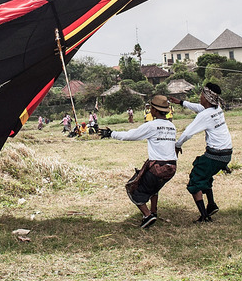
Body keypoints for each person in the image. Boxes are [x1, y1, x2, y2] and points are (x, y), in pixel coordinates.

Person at [99, 95, 177, 229]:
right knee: (154, 187)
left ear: (155, 110)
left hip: (157, 167)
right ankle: (154, 211)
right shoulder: (172, 126)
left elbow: (131, 135)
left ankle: (147, 215)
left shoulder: (152, 126)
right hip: (172, 168)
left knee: (133, 188)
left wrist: (111, 134)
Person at [170, 83, 232, 223]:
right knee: (206, 174)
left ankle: (204, 216)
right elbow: (199, 108)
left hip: (215, 154)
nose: (200, 97)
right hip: (226, 154)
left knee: (195, 179)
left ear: (207, 97)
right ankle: (211, 205)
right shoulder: (217, 109)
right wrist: (181, 102)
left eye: (202, 94)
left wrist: (177, 145)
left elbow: (187, 133)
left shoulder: (205, 115)